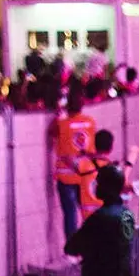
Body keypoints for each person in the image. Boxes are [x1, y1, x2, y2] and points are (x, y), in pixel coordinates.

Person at [54, 85, 99, 241]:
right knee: (87, 212)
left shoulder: (61, 124)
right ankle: (91, 246)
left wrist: (58, 114)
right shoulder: (90, 122)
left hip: (66, 177)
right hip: (85, 176)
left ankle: (73, 250)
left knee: (70, 213)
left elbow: (51, 133)